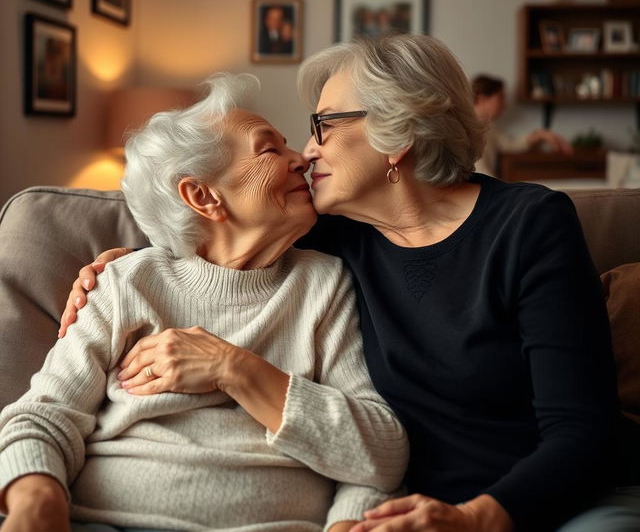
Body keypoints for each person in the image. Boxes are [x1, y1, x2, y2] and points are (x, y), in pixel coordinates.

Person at [62, 36, 635, 532]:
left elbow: (583, 433)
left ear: (397, 131)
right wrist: (115, 268)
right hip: (411, 509)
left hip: (548, 502)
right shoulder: (339, 236)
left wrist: (479, 518)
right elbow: (220, 245)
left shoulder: (528, 224)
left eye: (324, 124)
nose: (307, 151)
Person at [0, 74, 408, 531]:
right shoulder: (126, 283)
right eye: (270, 149)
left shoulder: (325, 284)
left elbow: (378, 452)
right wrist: (37, 502)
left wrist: (233, 367)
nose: (303, 158)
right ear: (202, 195)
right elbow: (43, 416)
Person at [471, 74, 573, 177]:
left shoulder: (489, 128)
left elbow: (510, 144)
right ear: (482, 99)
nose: (504, 104)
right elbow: (480, 172)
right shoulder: (471, 127)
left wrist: (542, 135)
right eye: (501, 98)